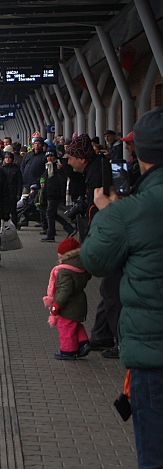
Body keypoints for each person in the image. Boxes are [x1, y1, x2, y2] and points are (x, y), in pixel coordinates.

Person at [81, 107, 163, 469]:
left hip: (153, 356)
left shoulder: (128, 212)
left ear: (139, 155)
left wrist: (106, 212)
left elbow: (95, 260)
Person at [67, 133, 120, 357]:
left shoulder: (98, 175)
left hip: (111, 240)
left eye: (70, 157)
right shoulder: (96, 169)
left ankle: (120, 341)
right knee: (108, 289)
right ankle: (101, 335)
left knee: (111, 291)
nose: (68, 162)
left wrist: (93, 243)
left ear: (82, 158)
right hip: (110, 238)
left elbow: (99, 212)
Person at [44, 236, 91, 360]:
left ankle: (68, 351)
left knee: (65, 327)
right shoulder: (82, 266)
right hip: (80, 300)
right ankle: (83, 343)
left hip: (69, 304)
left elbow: (65, 290)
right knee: (75, 324)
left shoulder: (65, 271)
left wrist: (57, 304)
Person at [39, 149, 74, 242]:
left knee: (50, 214)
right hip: (48, 193)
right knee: (53, 214)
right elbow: (43, 177)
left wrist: (62, 196)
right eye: (48, 156)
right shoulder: (47, 167)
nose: (49, 158)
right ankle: (69, 229)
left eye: (51, 156)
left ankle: (50, 234)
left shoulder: (58, 167)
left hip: (54, 194)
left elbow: (62, 181)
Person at [0, 148, 23, 226]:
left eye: (9, 158)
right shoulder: (1, 169)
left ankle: (14, 224)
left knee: (13, 210)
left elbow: (20, 182)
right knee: (3, 209)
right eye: (6, 158)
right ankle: (4, 224)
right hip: (3, 192)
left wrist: (18, 193)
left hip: (13, 191)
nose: (7, 159)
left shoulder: (16, 169)